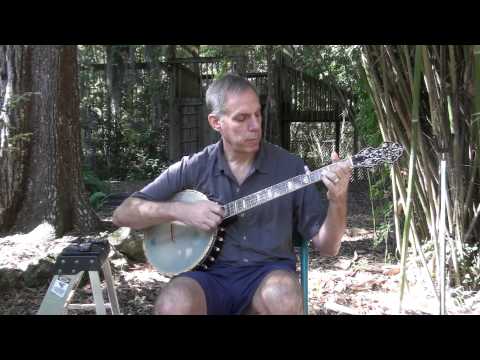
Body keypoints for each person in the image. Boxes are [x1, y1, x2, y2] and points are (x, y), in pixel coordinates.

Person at [112, 73, 352, 315]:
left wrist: (338, 199)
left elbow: (328, 247)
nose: (255, 126)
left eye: (258, 114)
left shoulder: (289, 167)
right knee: (173, 302)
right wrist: (182, 211)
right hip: (206, 279)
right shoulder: (195, 167)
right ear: (216, 122)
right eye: (242, 118)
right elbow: (123, 214)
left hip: (266, 277)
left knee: (283, 295)